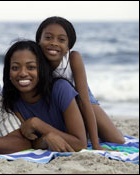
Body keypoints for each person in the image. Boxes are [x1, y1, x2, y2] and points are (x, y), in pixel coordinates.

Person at [35, 16, 125, 150]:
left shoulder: (73, 58)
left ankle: (90, 133)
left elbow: (84, 100)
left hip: (81, 96)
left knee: (117, 140)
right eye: (48, 38)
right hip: (58, 101)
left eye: (61, 40)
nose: (54, 43)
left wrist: (95, 144)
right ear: (38, 41)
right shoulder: (34, 59)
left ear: (67, 47)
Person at [2, 40, 87, 152]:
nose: (22, 73)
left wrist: (37, 124)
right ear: (8, 73)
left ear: (41, 69)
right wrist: (46, 139)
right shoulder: (11, 98)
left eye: (31, 67)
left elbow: (80, 144)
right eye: (15, 68)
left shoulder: (61, 88)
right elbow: (30, 143)